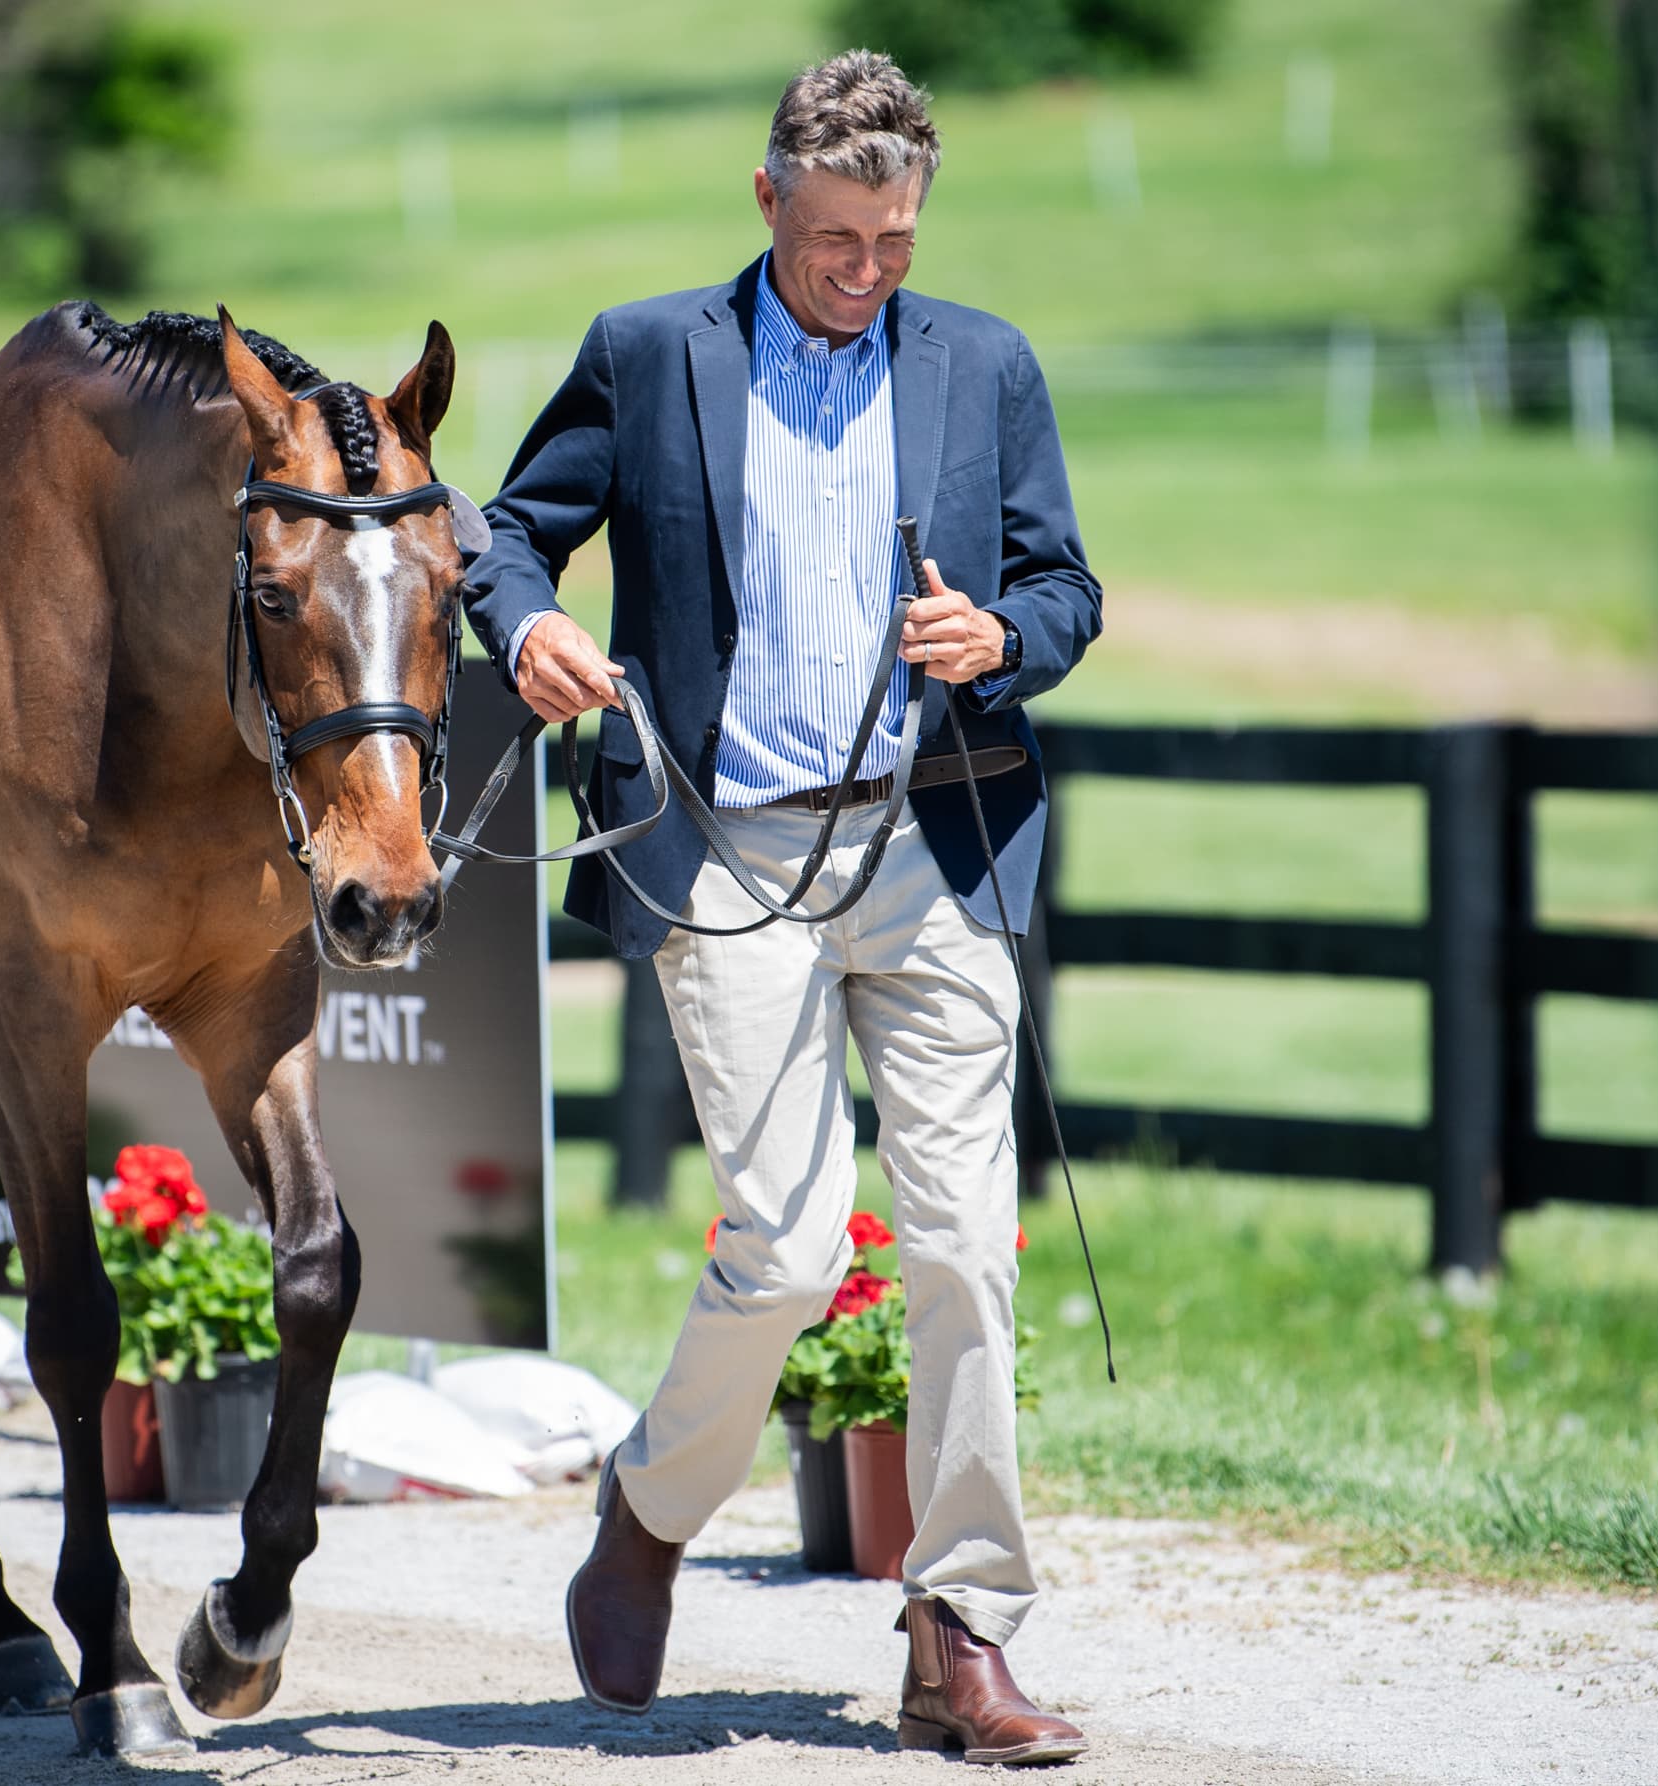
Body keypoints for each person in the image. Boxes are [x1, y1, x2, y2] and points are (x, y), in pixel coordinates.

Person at [463, 50, 1099, 1767]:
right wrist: (531, 626)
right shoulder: (651, 352)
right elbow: (509, 536)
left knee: (965, 1241)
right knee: (795, 1245)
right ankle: (648, 1513)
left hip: (931, 844)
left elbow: (1066, 585)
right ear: (767, 200)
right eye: (834, 239)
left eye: (895, 240)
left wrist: (1003, 638)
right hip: (729, 855)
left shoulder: (984, 365)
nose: (866, 270)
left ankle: (961, 1629)